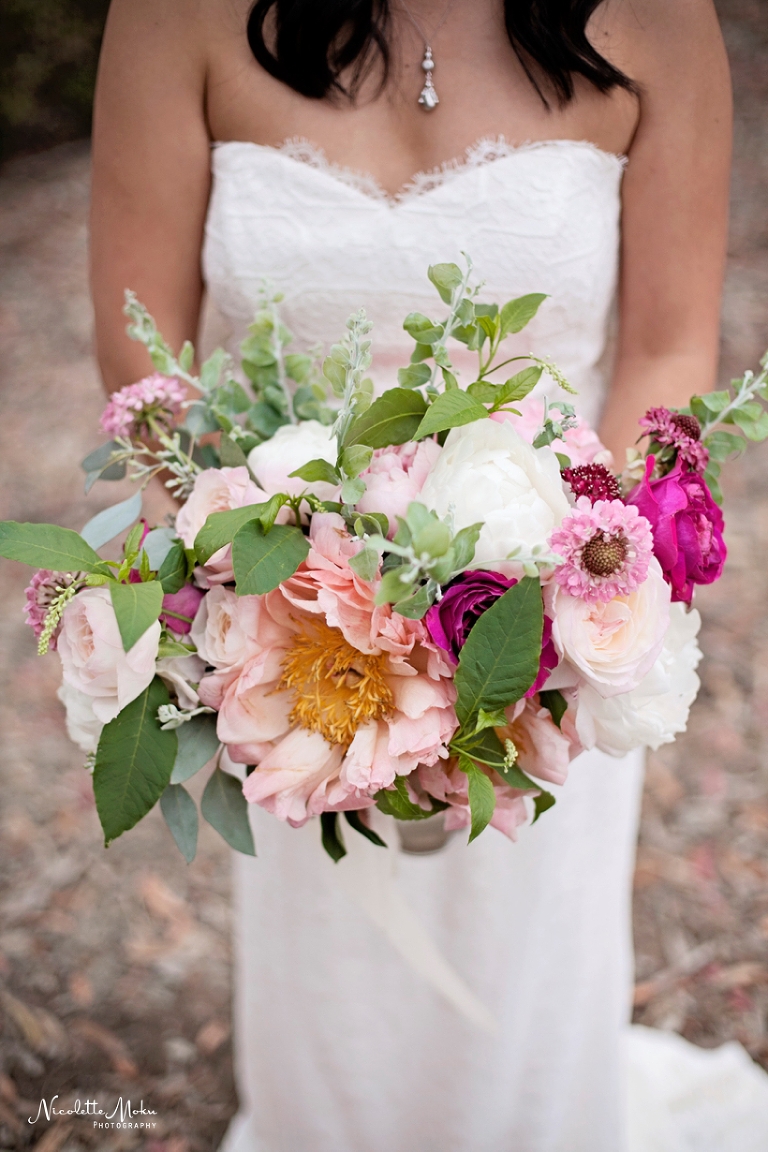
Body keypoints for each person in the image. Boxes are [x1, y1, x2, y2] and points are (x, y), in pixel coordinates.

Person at [89, 2, 768, 1149]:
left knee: (525, 984)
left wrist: (571, 618)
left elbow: (665, 347)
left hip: (542, 630)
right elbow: (143, 354)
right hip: (291, 640)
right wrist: (234, 597)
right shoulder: (172, 17)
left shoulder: (656, 21)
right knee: (332, 995)